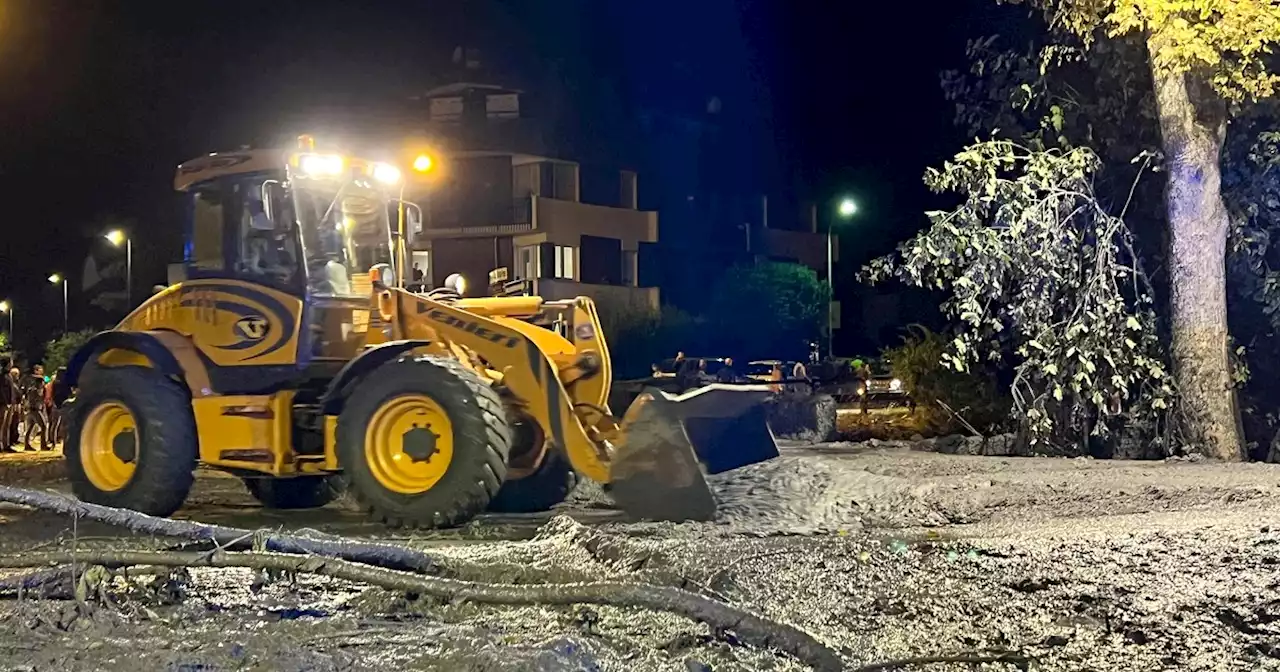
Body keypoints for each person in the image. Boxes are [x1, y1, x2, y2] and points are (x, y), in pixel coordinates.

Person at [21, 364, 48, 451]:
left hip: (32, 410)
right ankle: (43, 445)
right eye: (42, 382)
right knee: (43, 426)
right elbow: (33, 401)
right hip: (34, 410)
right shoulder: (34, 390)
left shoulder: (34, 390)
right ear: (39, 383)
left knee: (30, 427)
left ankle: (27, 445)